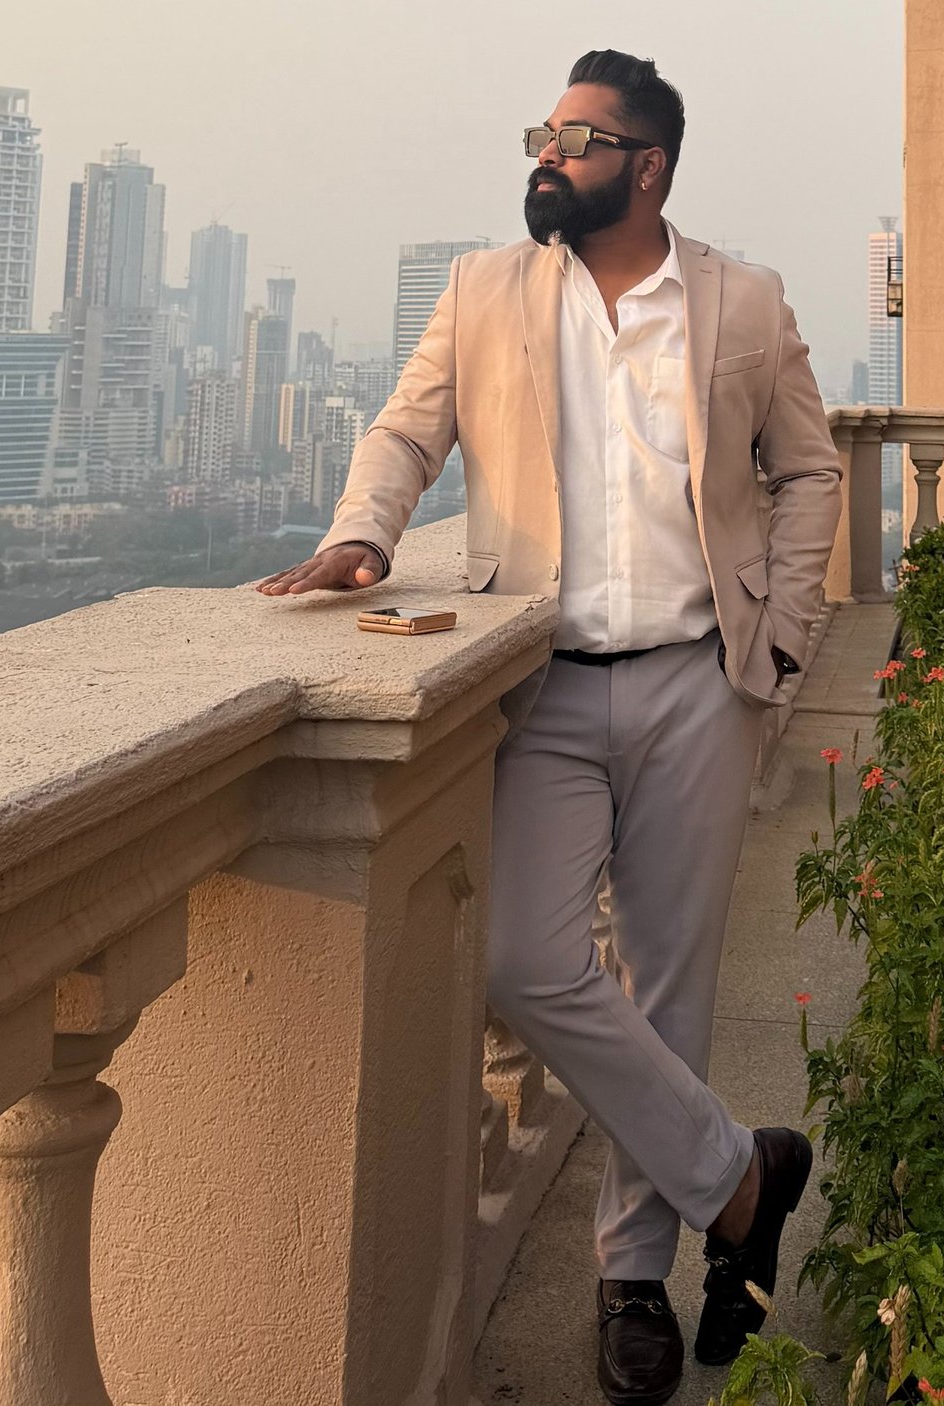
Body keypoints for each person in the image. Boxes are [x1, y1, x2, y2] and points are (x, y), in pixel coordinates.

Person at [257, 48, 842, 1406]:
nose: (549, 154)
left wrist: (789, 632)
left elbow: (808, 469)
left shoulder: (741, 302)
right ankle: (742, 1178)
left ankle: (631, 1276)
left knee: (671, 990)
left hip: (701, 679)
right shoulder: (484, 291)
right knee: (522, 961)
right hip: (548, 686)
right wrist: (362, 533)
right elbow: (406, 434)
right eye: (546, 129)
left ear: (647, 167)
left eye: (581, 137)